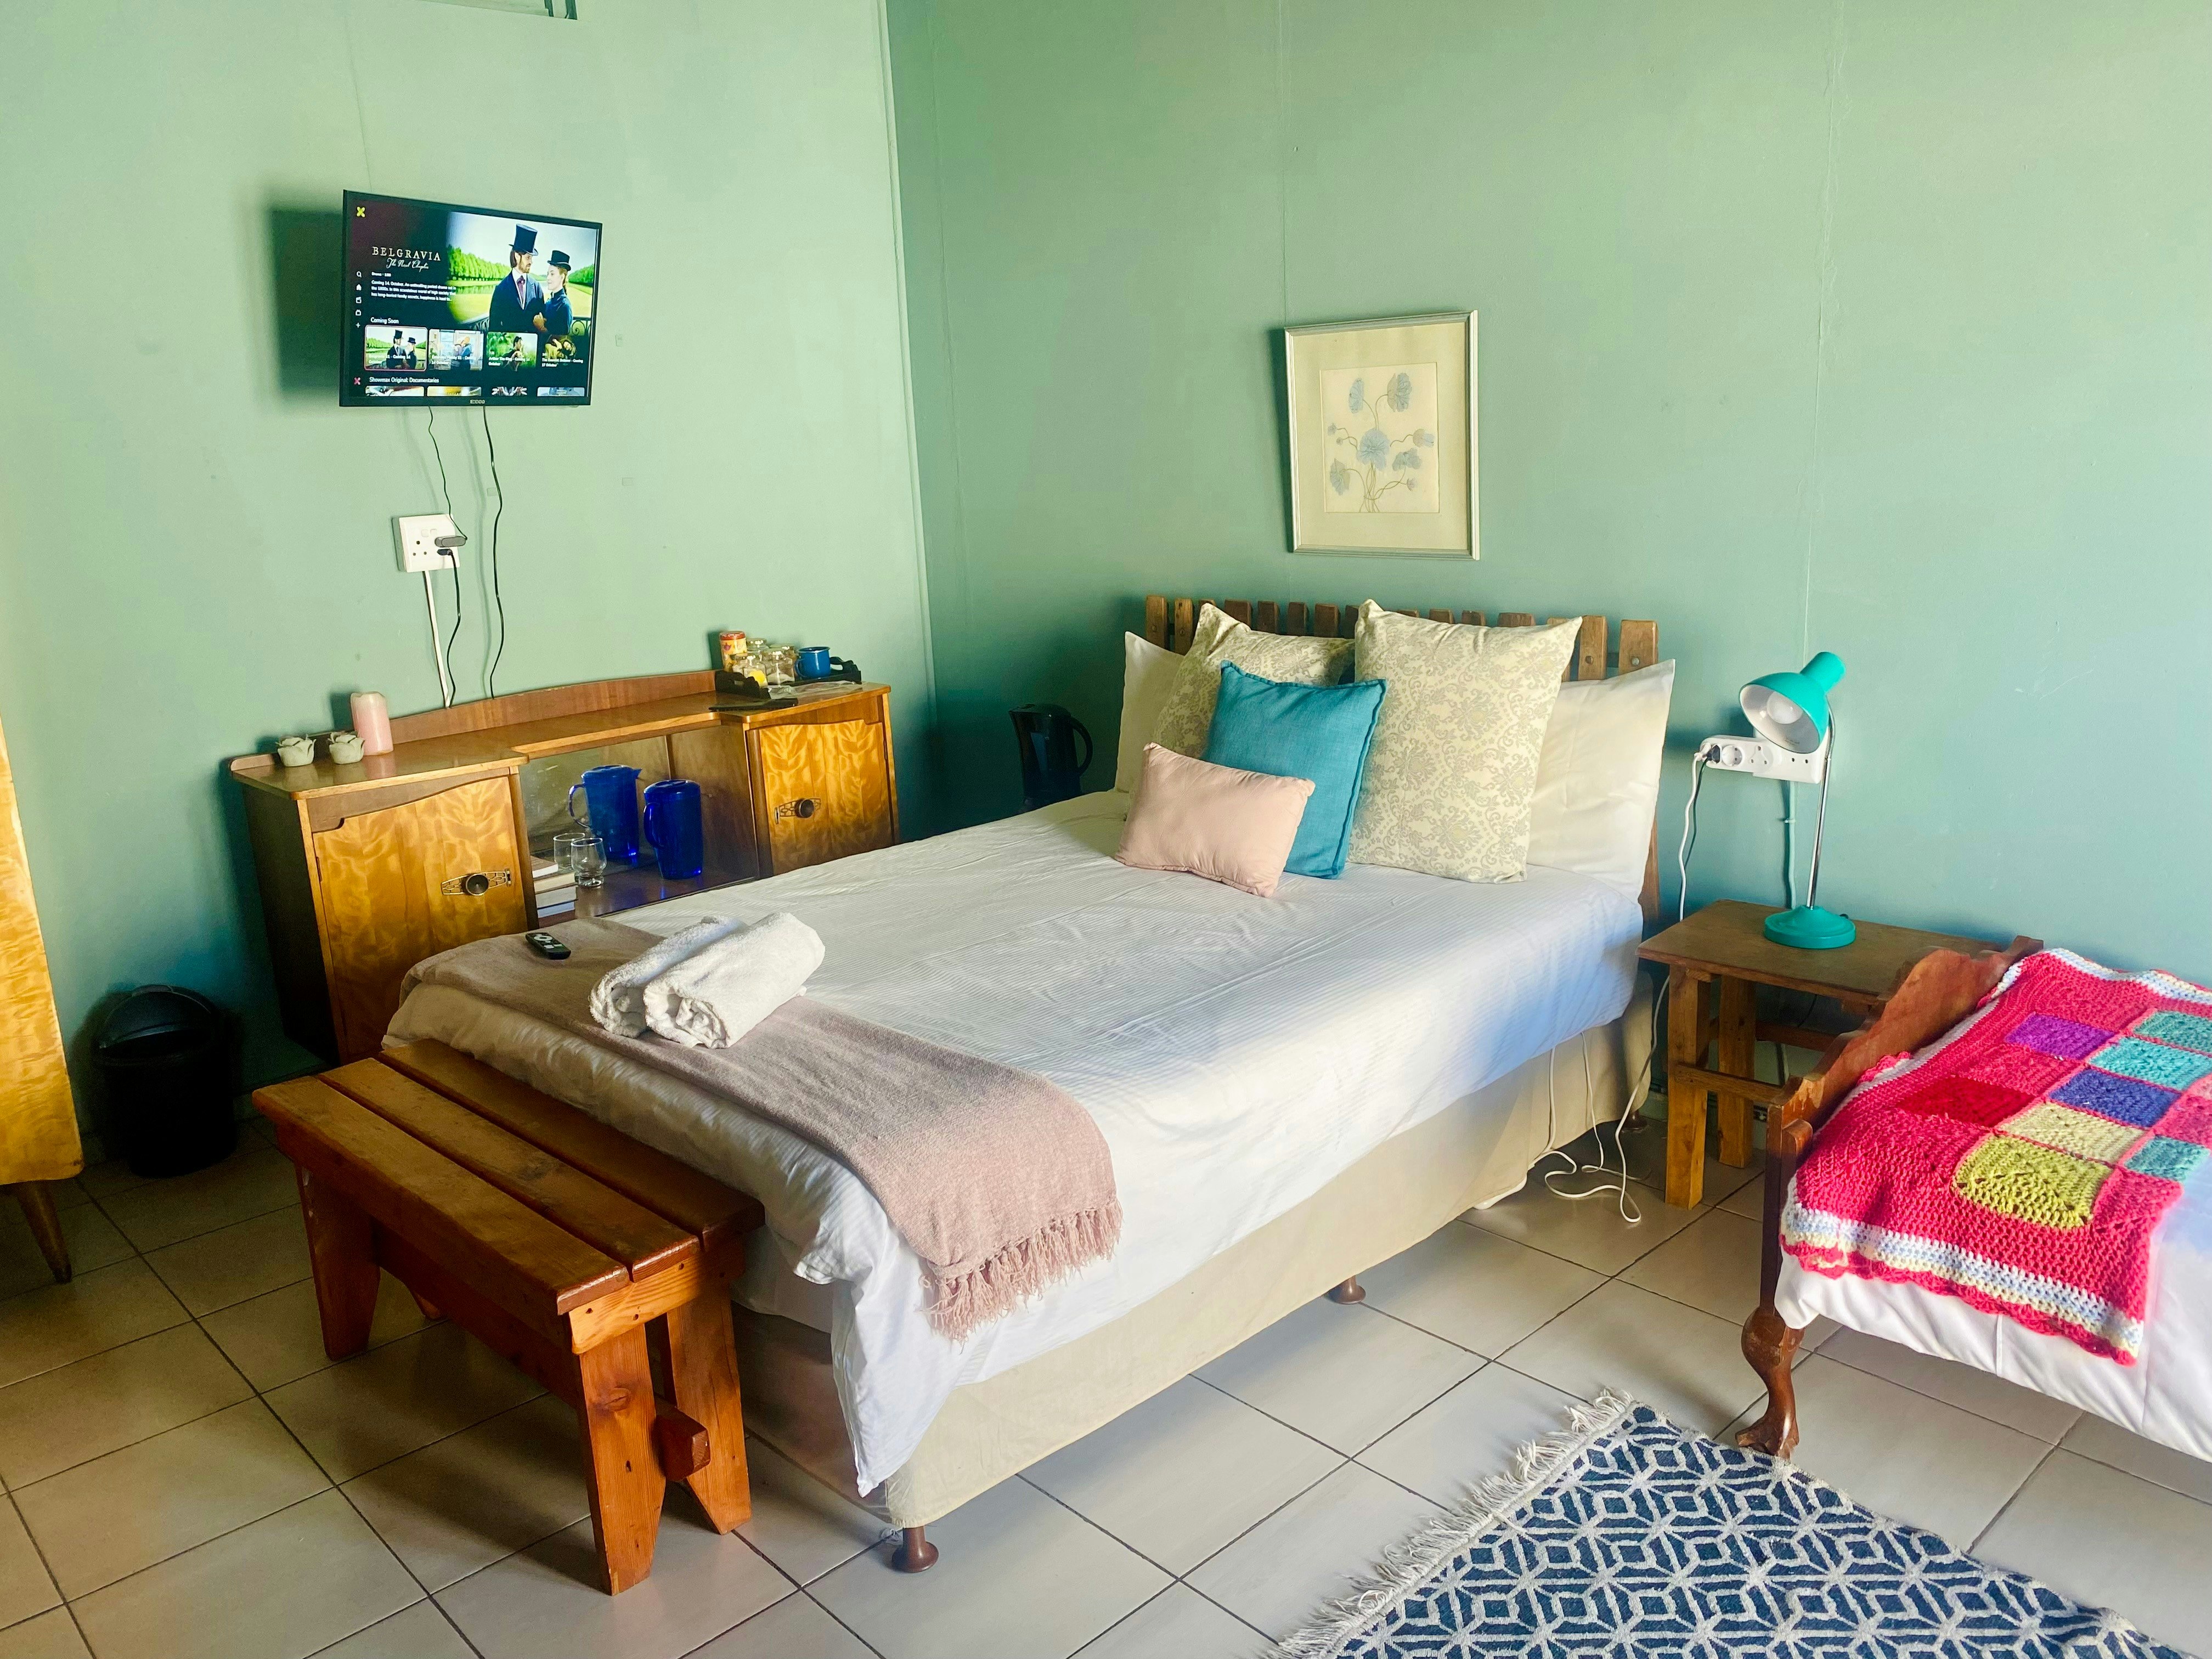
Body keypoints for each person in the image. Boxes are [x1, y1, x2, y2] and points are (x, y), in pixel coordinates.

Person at [486, 224, 544, 331]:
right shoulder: (501, 289)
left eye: (531, 258)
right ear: (517, 256)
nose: (531, 262)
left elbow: (542, 320)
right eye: (528, 258)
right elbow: (494, 327)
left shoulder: (536, 287)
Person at [540, 250, 573, 341]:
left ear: (562, 277)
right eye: (548, 274)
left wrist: (541, 328)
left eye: (552, 274)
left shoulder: (565, 306)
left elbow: (562, 341)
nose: (548, 278)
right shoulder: (549, 302)